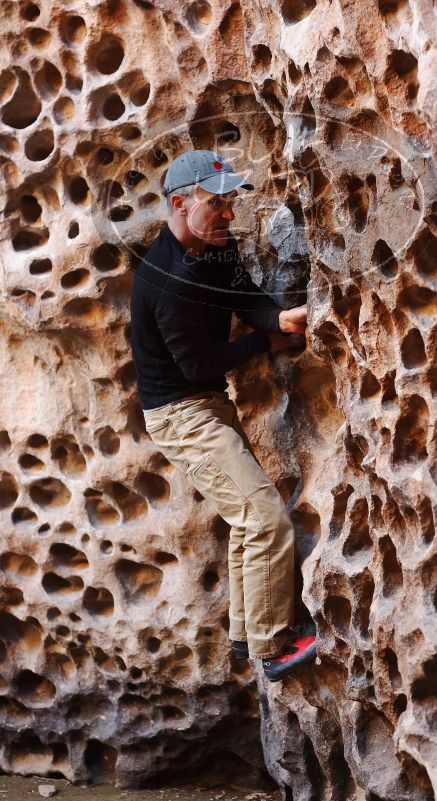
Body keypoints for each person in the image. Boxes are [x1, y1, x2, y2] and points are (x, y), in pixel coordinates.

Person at [129, 149, 316, 682]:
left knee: (245, 518)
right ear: (181, 203)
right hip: (181, 413)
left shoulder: (215, 249)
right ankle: (272, 646)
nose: (229, 215)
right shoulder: (167, 279)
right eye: (217, 203)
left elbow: (244, 295)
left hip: (206, 402)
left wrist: (276, 316)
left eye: (230, 202)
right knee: (264, 518)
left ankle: (244, 630)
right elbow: (197, 364)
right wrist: (265, 341)